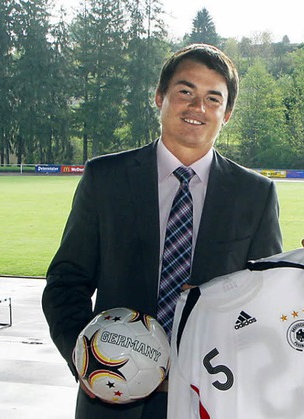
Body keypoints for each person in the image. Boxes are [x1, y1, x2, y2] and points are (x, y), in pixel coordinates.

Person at [42, 43, 283, 419]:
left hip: (212, 398)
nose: (197, 107)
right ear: (160, 97)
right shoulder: (106, 179)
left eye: (212, 98)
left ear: (227, 113)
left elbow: (266, 302)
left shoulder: (255, 194)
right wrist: (88, 356)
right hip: (111, 401)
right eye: (185, 92)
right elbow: (65, 281)